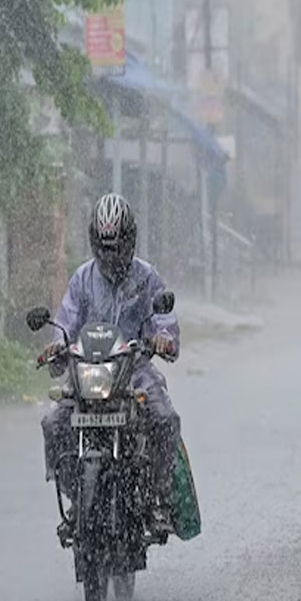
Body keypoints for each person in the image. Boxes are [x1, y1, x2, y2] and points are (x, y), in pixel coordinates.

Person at [40, 193, 181, 540]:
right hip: (89, 373)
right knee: (55, 423)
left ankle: (159, 497)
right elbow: (67, 322)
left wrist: (163, 338)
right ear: (93, 244)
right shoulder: (82, 280)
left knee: (164, 419)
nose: (110, 256)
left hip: (134, 371)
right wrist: (57, 346)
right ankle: (77, 498)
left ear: (130, 241)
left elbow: (164, 321)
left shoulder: (147, 278)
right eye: (103, 248)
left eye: (116, 247)